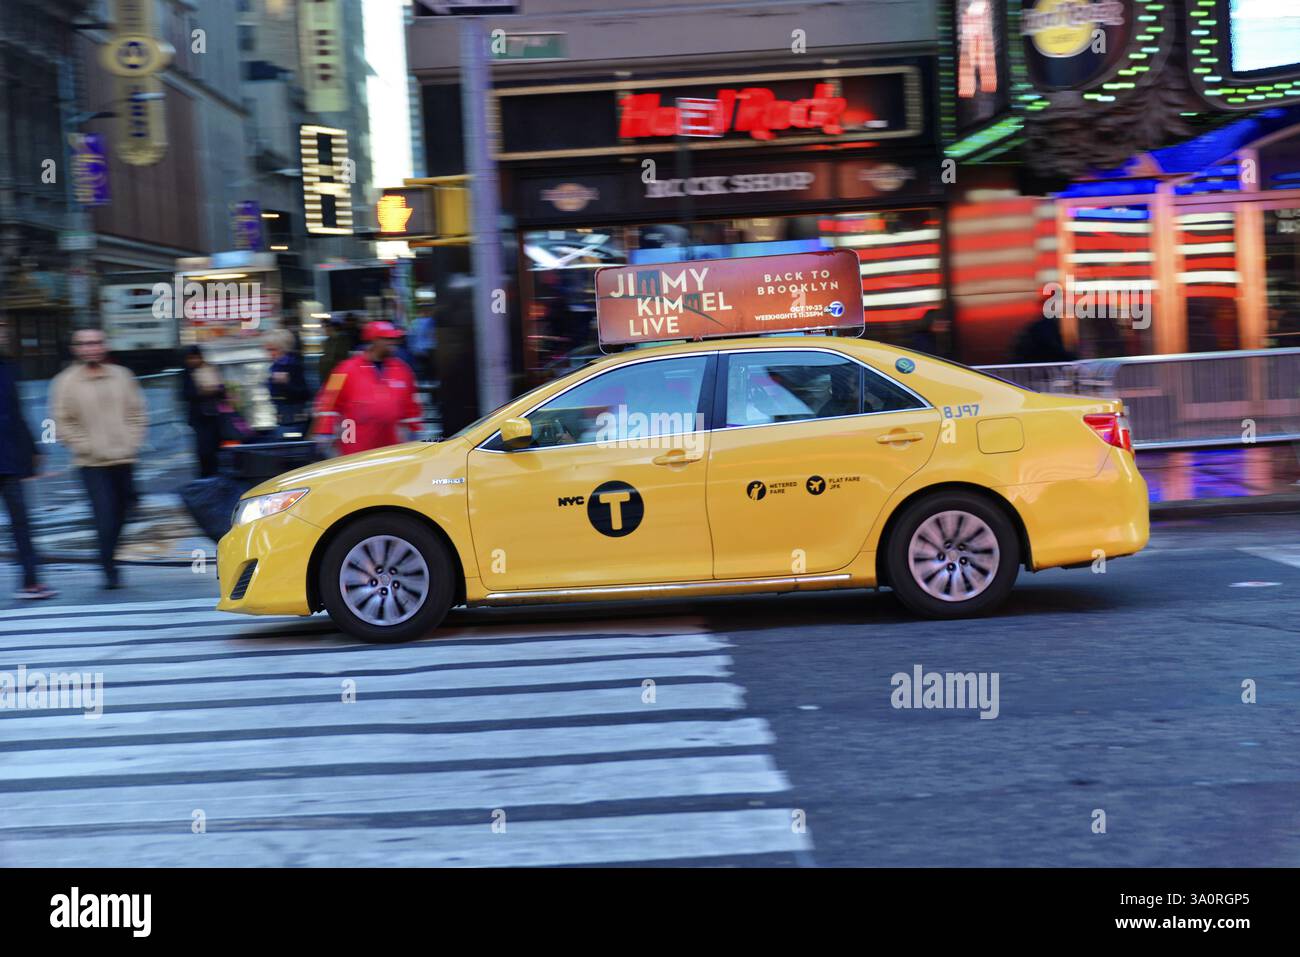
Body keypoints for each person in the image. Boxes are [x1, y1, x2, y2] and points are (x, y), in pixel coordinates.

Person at [50, 327, 147, 590]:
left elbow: (137, 413)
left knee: (124, 513)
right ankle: (108, 566)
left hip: (124, 459)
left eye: (95, 343)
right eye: (84, 344)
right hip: (91, 463)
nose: (90, 348)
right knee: (104, 517)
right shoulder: (65, 382)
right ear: (76, 348)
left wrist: (131, 442)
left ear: (104, 346)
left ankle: (108, 555)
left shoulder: (122, 376)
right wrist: (87, 446)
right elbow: (63, 422)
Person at [0, 319, 55, 599]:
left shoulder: (9, 368)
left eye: (4, 327)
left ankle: (30, 581)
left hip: (9, 458)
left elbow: (16, 413)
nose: (3, 333)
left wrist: (33, 449)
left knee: (21, 521)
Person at [312, 320, 422, 456]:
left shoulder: (403, 370)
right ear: (373, 341)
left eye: (394, 338)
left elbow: (412, 407)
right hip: (354, 440)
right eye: (387, 339)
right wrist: (324, 433)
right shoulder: (343, 369)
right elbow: (327, 403)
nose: (392, 342)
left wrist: (415, 432)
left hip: (390, 442)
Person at [181, 345, 223, 477]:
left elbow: (221, 390)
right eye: (190, 358)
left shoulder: (209, 370)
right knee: (204, 449)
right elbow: (186, 394)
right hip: (199, 417)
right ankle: (206, 475)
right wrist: (204, 391)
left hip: (213, 415)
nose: (193, 361)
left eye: (195, 357)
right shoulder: (187, 373)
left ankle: (213, 474)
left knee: (213, 447)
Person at [266, 329, 311, 429]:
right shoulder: (276, 366)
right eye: (267, 350)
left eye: (273, 349)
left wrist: (286, 383)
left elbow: (305, 393)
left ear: (283, 349)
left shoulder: (291, 365)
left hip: (294, 420)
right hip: (284, 418)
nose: (269, 353)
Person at [319, 313, 356, 382]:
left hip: (337, 376)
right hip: (328, 377)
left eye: (326, 326)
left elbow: (338, 359)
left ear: (333, 327)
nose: (324, 329)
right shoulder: (328, 341)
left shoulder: (342, 340)